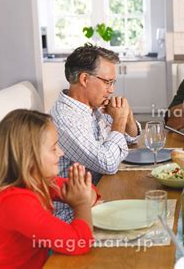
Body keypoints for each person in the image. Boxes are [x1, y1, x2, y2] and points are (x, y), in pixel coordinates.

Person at [0, 109, 99, 269]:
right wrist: (81, 203)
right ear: (30, 158)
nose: (61, 153)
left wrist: (83, 194)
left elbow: (86, 189)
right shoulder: (15, 202)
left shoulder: (38, 183)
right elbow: (78, 242)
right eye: (54, 148)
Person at [50, 44, 141, 222]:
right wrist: (119, 120)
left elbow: (130, 138)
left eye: (113, 83)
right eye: (108, 82)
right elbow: (108, 163)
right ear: (84, 79)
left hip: (99, 193)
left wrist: (126, 115)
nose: (112, 89)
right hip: (73, 213)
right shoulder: (66, 118)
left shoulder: (92, 107)